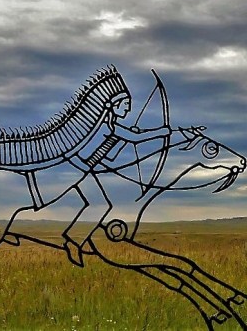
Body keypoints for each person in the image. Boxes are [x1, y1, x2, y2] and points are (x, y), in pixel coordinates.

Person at [61, 72, 170, 266]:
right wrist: (163, 131)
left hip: (83, 169)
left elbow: (110, 155)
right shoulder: (106, 127)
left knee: (101, 204)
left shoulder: (111, 128)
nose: (127, 111)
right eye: (125, 106)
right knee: (100, 205)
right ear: (114, 105)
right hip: (77, 169)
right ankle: (73, 241)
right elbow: (135, 138)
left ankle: (75, 240)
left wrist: (123, 140)